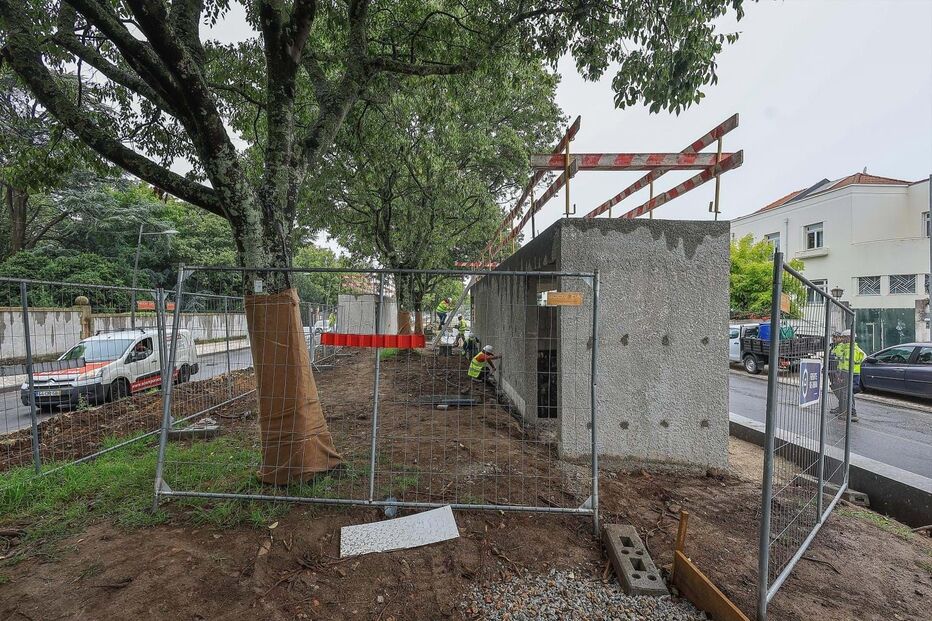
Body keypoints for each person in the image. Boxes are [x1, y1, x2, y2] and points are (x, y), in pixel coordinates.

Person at [830, 329, 865, 421]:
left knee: (847, 393)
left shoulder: (851, 350)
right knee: (847, 393)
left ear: (849, 338)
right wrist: (839, 373)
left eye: (844, 337)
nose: (842, 339)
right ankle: (846, 412)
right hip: (847, 374)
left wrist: (841, 375)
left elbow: (847, 365)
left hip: (849, 374)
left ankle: (851, 413)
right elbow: (842, 363)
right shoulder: (847, 348)